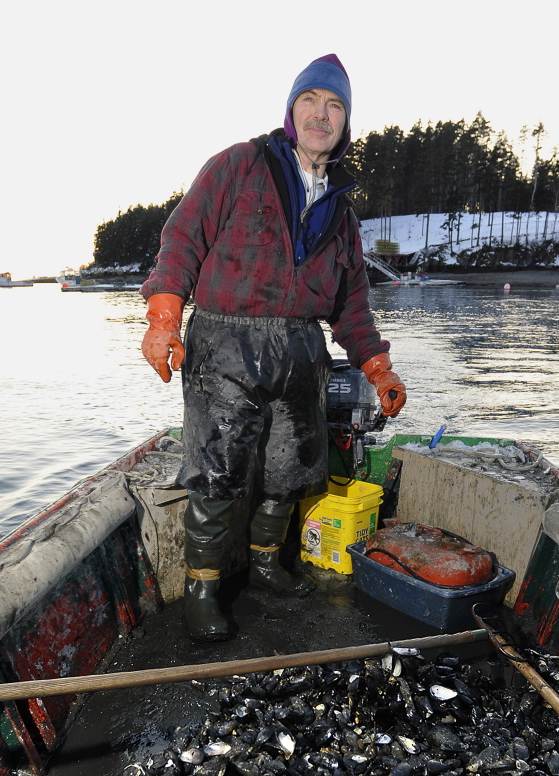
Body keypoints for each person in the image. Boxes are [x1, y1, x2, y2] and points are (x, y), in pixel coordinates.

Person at [140, 53, 406, 642]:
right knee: (217, 469)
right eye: (311, 99)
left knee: (290, 467)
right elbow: (183, 237)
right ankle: (204, 588)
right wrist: (164, 318)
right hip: (224, 339)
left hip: (300, 347)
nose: (322, 113)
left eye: (335, 105)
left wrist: (378, 366)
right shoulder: (238, 165)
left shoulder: (342, 210)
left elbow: (352, 304)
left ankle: (266, 564)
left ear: (345, 124)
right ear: (291, 112)